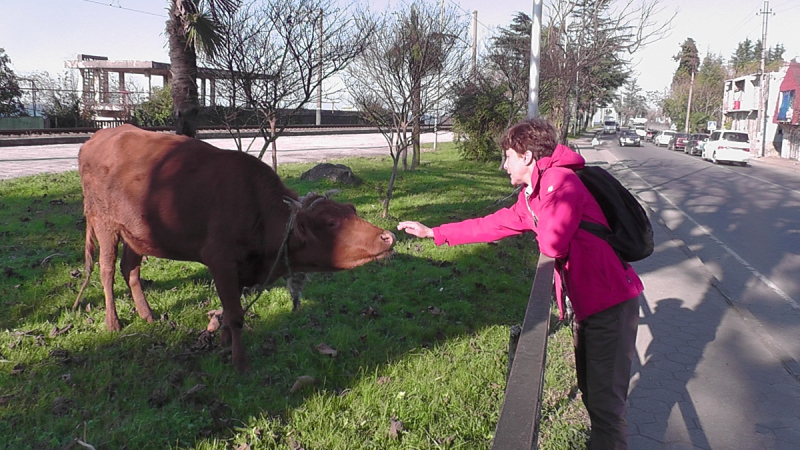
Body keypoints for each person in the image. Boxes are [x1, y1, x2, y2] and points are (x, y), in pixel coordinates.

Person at [397, 118, 643, 450]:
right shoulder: (534, 195)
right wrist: (434, 233)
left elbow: (553, 244)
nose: (504, 165)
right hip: (588, 305)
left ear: (526, 156)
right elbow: (493, 224)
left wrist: (537, 208)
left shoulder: (560, 182)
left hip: (611, 303)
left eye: (508, 156)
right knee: (591, 392)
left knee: (606, 409)